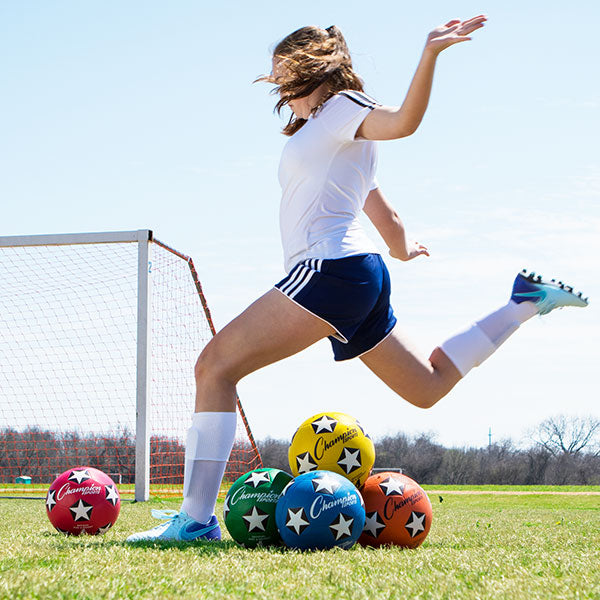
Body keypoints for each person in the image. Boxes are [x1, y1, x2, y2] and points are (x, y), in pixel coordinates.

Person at [127, 16, 588, 542]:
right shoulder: (335, 136)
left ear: (313, 71)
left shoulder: (342, 108)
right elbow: (383, 218)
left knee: (214, 367)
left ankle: (194, 521)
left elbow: (404, 122)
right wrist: (404, 247)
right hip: (359, 272)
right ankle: (523, 304)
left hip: (330, 270)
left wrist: (430, 54)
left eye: (284, 79)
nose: (280, 92)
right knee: (427, 386)